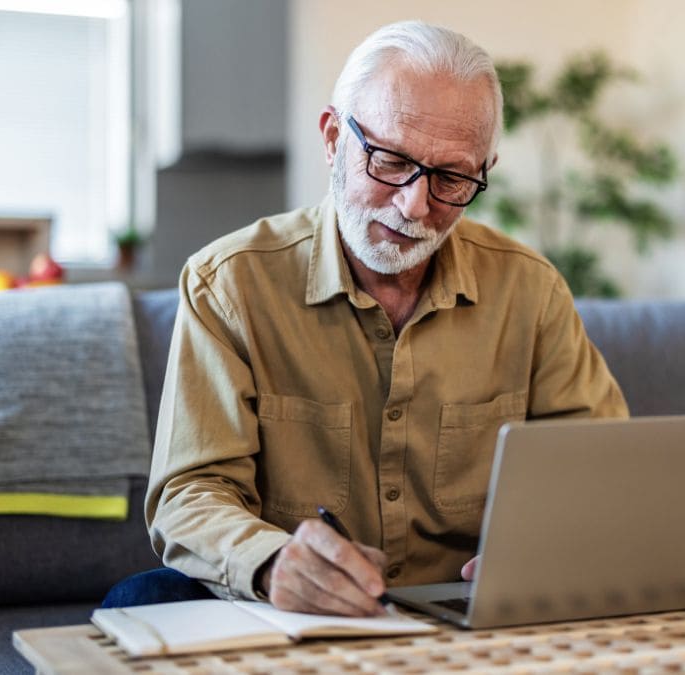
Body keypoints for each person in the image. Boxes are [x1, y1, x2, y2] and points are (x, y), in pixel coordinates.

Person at [104, 20, 627, 616]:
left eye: (452, 178)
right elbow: (190, 494)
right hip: (289, 608)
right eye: (390, 160)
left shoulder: (530, 290)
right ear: (333, 138)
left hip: (470, 611)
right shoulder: (229, 285)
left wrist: (551, 547)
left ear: (485, 169)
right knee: (141, 601)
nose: (414, 204)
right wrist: (274, 564)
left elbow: (601, 466)